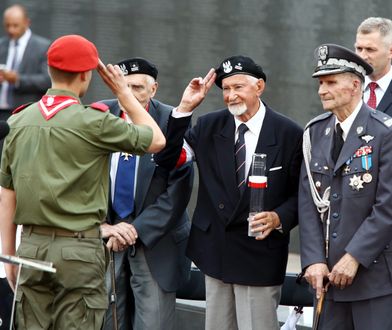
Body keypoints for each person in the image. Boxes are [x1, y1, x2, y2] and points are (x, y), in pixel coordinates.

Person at [0, 35, 165, 329]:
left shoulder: (18, 121)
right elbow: (156, 139)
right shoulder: (94, 121)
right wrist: (124, 94)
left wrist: (10, 255)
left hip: (31, 247)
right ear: (86, 75)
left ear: (50, 69)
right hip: (79, 250)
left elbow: (7, 194)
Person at [155, 55, 303, 330]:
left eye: (238, 87)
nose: (231, 95)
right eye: (225, 89)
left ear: (259, 87)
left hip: (260, 253)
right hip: (216, 251)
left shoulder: (289, 133)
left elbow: (301, 195)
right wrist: (185, 108)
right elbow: (167, 159)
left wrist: (278, 217)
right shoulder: (209, 125)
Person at [299, 43, 392, 329]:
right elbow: (308, 202)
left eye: (330, 82)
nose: (321, 90)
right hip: (326, 279)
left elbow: (387, 206)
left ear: (354, 85)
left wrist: (355, 257)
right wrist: (314, 260)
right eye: (320, 83)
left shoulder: (384, 132)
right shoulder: (315, 132)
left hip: (372, 279)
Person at [99, 57, 193, 330]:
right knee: (107, 322)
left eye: (138, 87)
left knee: (153, 323)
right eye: (124, 86)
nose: (130, 94)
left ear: (154, 89)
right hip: (107, 241)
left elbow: (179, 189)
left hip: (155, 242)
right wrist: (104, 226)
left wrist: (135, 229)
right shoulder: (98, 115)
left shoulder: (173, 121)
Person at [0, 4, 51, 119]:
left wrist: (18, 79)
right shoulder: (1, 45)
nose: (11, 30)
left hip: (25, 113)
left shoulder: (42, 47)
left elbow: (47, 80)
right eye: (7, 25)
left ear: (27, 23)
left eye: (15, 25)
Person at [355, 17, 392, 114]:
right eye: (359, 49)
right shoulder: (347, 88)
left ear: (390, 52)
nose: (362, 56)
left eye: (370, 49)